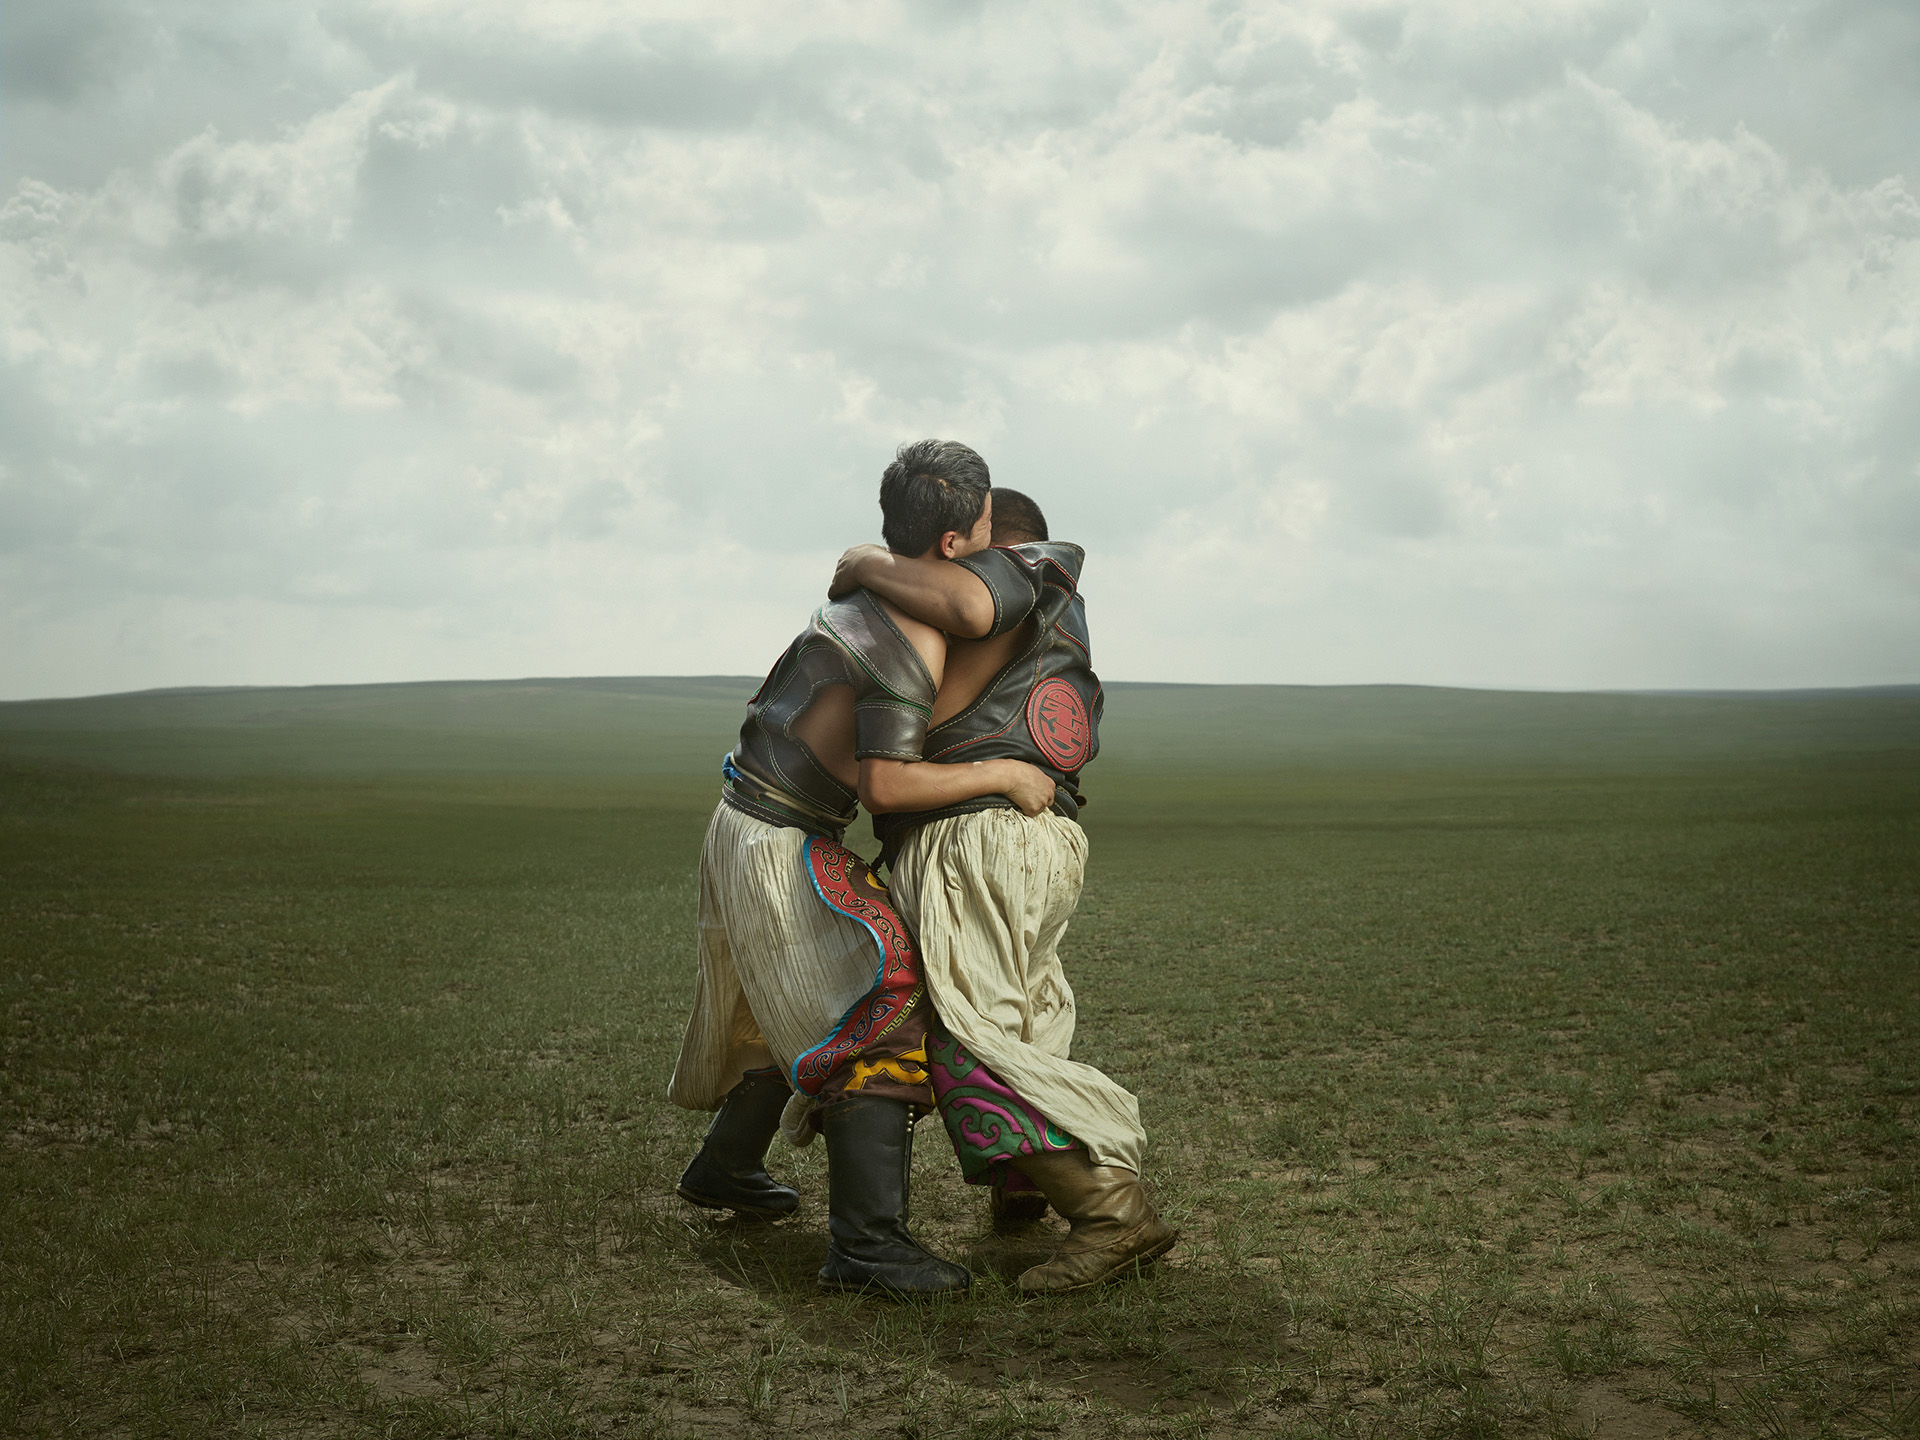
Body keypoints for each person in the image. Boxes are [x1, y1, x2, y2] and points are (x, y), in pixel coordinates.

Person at [666, 440, 1058, 1298]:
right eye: (989, 521)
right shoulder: (909, 630)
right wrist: (1007, 772)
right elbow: (885, 781)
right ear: (955, 544)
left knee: (801, 994)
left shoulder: (866, 592)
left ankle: (725, 1168)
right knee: (889, 1001)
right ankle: (866, 1246)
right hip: (780, 838)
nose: (1000, 539)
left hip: (747, 817)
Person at [830, 487, 1178, 1294]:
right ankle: (1024, 1188)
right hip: (1042, 838)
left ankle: (1108, 1211)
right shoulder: (1054, 635)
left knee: (964, 1032)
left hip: (973, 837)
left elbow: (906, 742)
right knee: (1019, 1017)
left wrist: (868, 566)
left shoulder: (1018, 580)